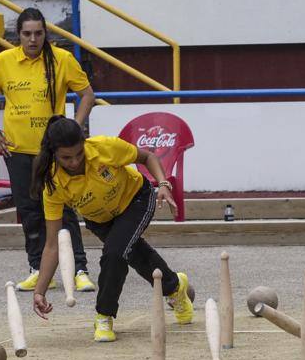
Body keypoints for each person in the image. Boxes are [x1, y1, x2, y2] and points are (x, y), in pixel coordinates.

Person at [30, 115, 193, 342]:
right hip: (100, 220)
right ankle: (174, 286)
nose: (75, 162)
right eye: (66, 158)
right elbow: (52, 244)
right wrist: (40, 291)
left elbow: (148, 157)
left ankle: (104, 314)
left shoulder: (105, 148)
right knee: (133, 253)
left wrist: (163, 185)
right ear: (53, 153)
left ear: (84, 143)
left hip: (136, 200)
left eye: (79, 154)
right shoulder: (52, 183)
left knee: (115, 253)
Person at [0, 8, 95, 292]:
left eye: (38, 33)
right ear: (18, 35)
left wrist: (74, 129)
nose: (33, 39)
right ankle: (37, 267)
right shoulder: (3, 61)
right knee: (29, 211)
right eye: (27, 34)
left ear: (46, 34)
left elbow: (87, 95)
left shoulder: (62, 59)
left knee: (64, 210)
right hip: (16, 150)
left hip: (53, 151)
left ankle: (79, 269)